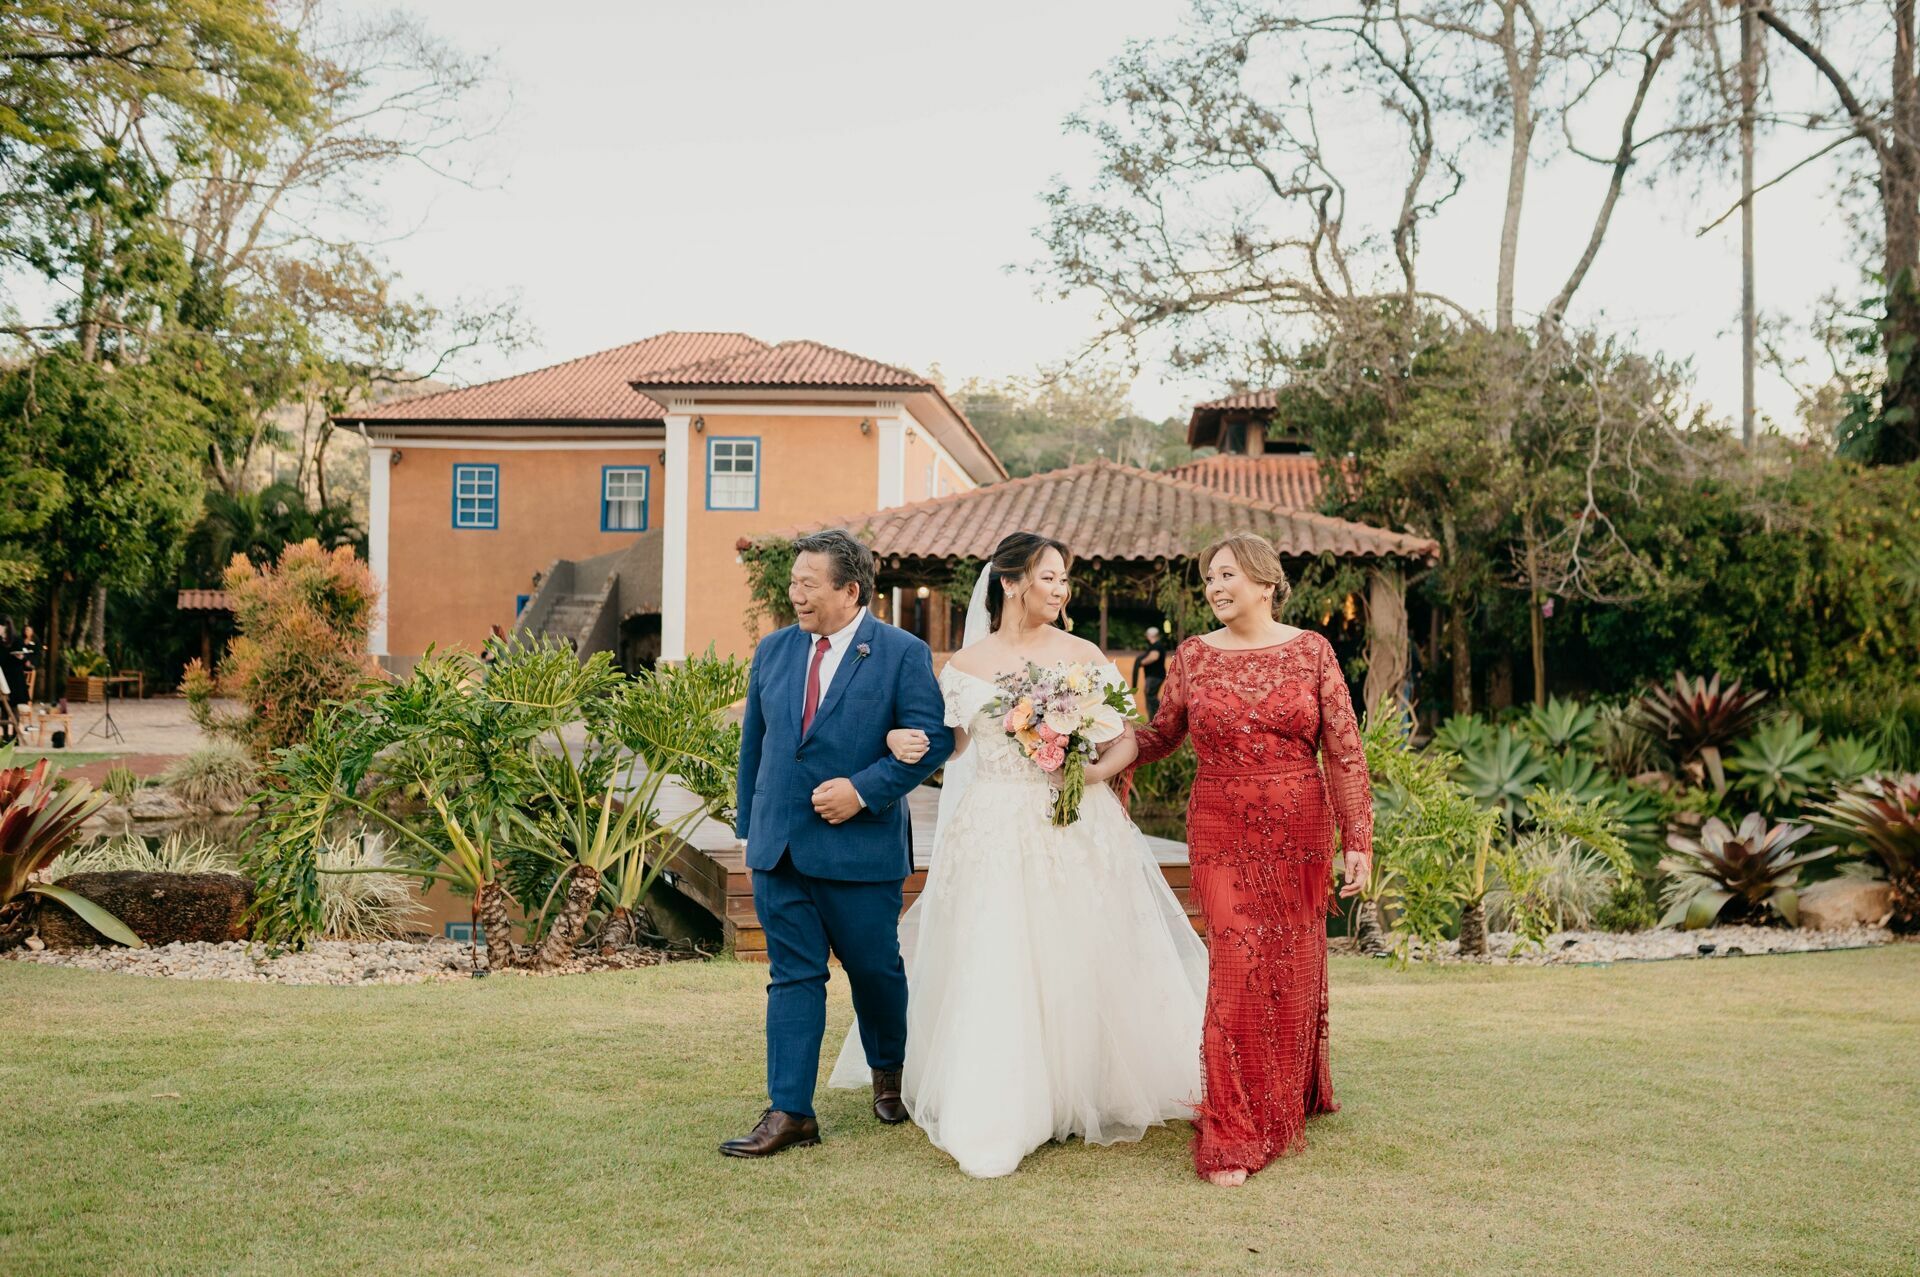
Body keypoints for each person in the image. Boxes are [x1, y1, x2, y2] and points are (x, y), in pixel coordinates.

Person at [829, 531, 1208, 1178]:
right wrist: (899, 739)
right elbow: (947, 743)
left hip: (1073, 821)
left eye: (1064, 579)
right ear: (1009, 582)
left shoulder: (1082, 654)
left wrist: (1090, 774)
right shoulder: (965, 665)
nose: (1061, 590)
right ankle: (1006, 1098)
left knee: (1077, 946)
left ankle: (1083, 1084)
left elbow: (1123, 739)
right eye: (1049, 577)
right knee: (1000, 949)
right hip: (994, 823)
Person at [1132, 531, 1374, 1187]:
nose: (1214, 586)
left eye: (1227, 574)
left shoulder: (1312, 650)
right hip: (1220, 826)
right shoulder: (1193, 655)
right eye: (1209, 577)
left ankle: (1290, 1092)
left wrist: (1357, 839)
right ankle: (1235, 1128)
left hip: (1299, 827)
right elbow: (1162, 733)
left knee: (1290, 965)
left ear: (1266, 583)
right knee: (1236, 967)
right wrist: (1092, 746)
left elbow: (1344, 749)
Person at [722, 529, 954, 1158]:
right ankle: (790, 1111)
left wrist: (861, 789)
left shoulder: (901, 652)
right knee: (792, 976)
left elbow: (934, 739)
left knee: (874, 970)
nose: (795, 594)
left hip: (860, 849)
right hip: (780, 849)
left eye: (808, 584)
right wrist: (750, 830)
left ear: (850, 591)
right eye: (792, 583)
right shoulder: (773, 650)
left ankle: (890, 1070)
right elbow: (755, 746)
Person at [1133, 624, 1173, 717]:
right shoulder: (1156, 645)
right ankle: (1155, 717)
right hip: (1155, 675)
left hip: (1154, 676)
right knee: (1150, 695)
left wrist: (1141, 662)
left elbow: (1154, 657)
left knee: (1150, 696)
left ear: (1150, 636)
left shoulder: (1156, 646)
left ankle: (1161, 714)